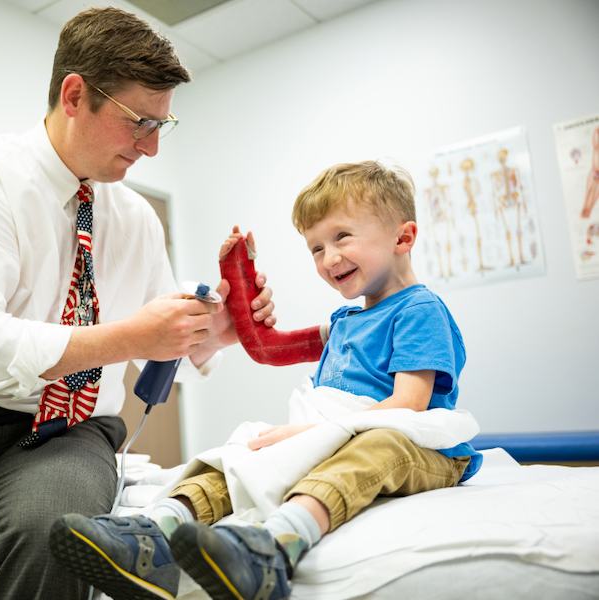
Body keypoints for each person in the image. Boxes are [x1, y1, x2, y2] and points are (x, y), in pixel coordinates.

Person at [0, 7, 276, 600]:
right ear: (75, 94)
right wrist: (131, 337)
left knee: (54, 537)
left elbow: (163, 350)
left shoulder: (134, 219)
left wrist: (220, 330)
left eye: (163, 125)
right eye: (139, 123)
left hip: (71, 433)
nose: (153, 148)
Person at [50, 161, 483, 600]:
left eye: (342, 237)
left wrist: (314, 433)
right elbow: (268, 347)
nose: (328, 258)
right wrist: (236, 278)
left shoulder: (418, 310)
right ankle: (154, 535)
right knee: (249, 446)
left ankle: (276, 547)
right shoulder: (347, 320)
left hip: (419, 446)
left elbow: (409, 405)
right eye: (315, 248)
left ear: (403, 237)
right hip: (346, 432)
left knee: (375, 446)